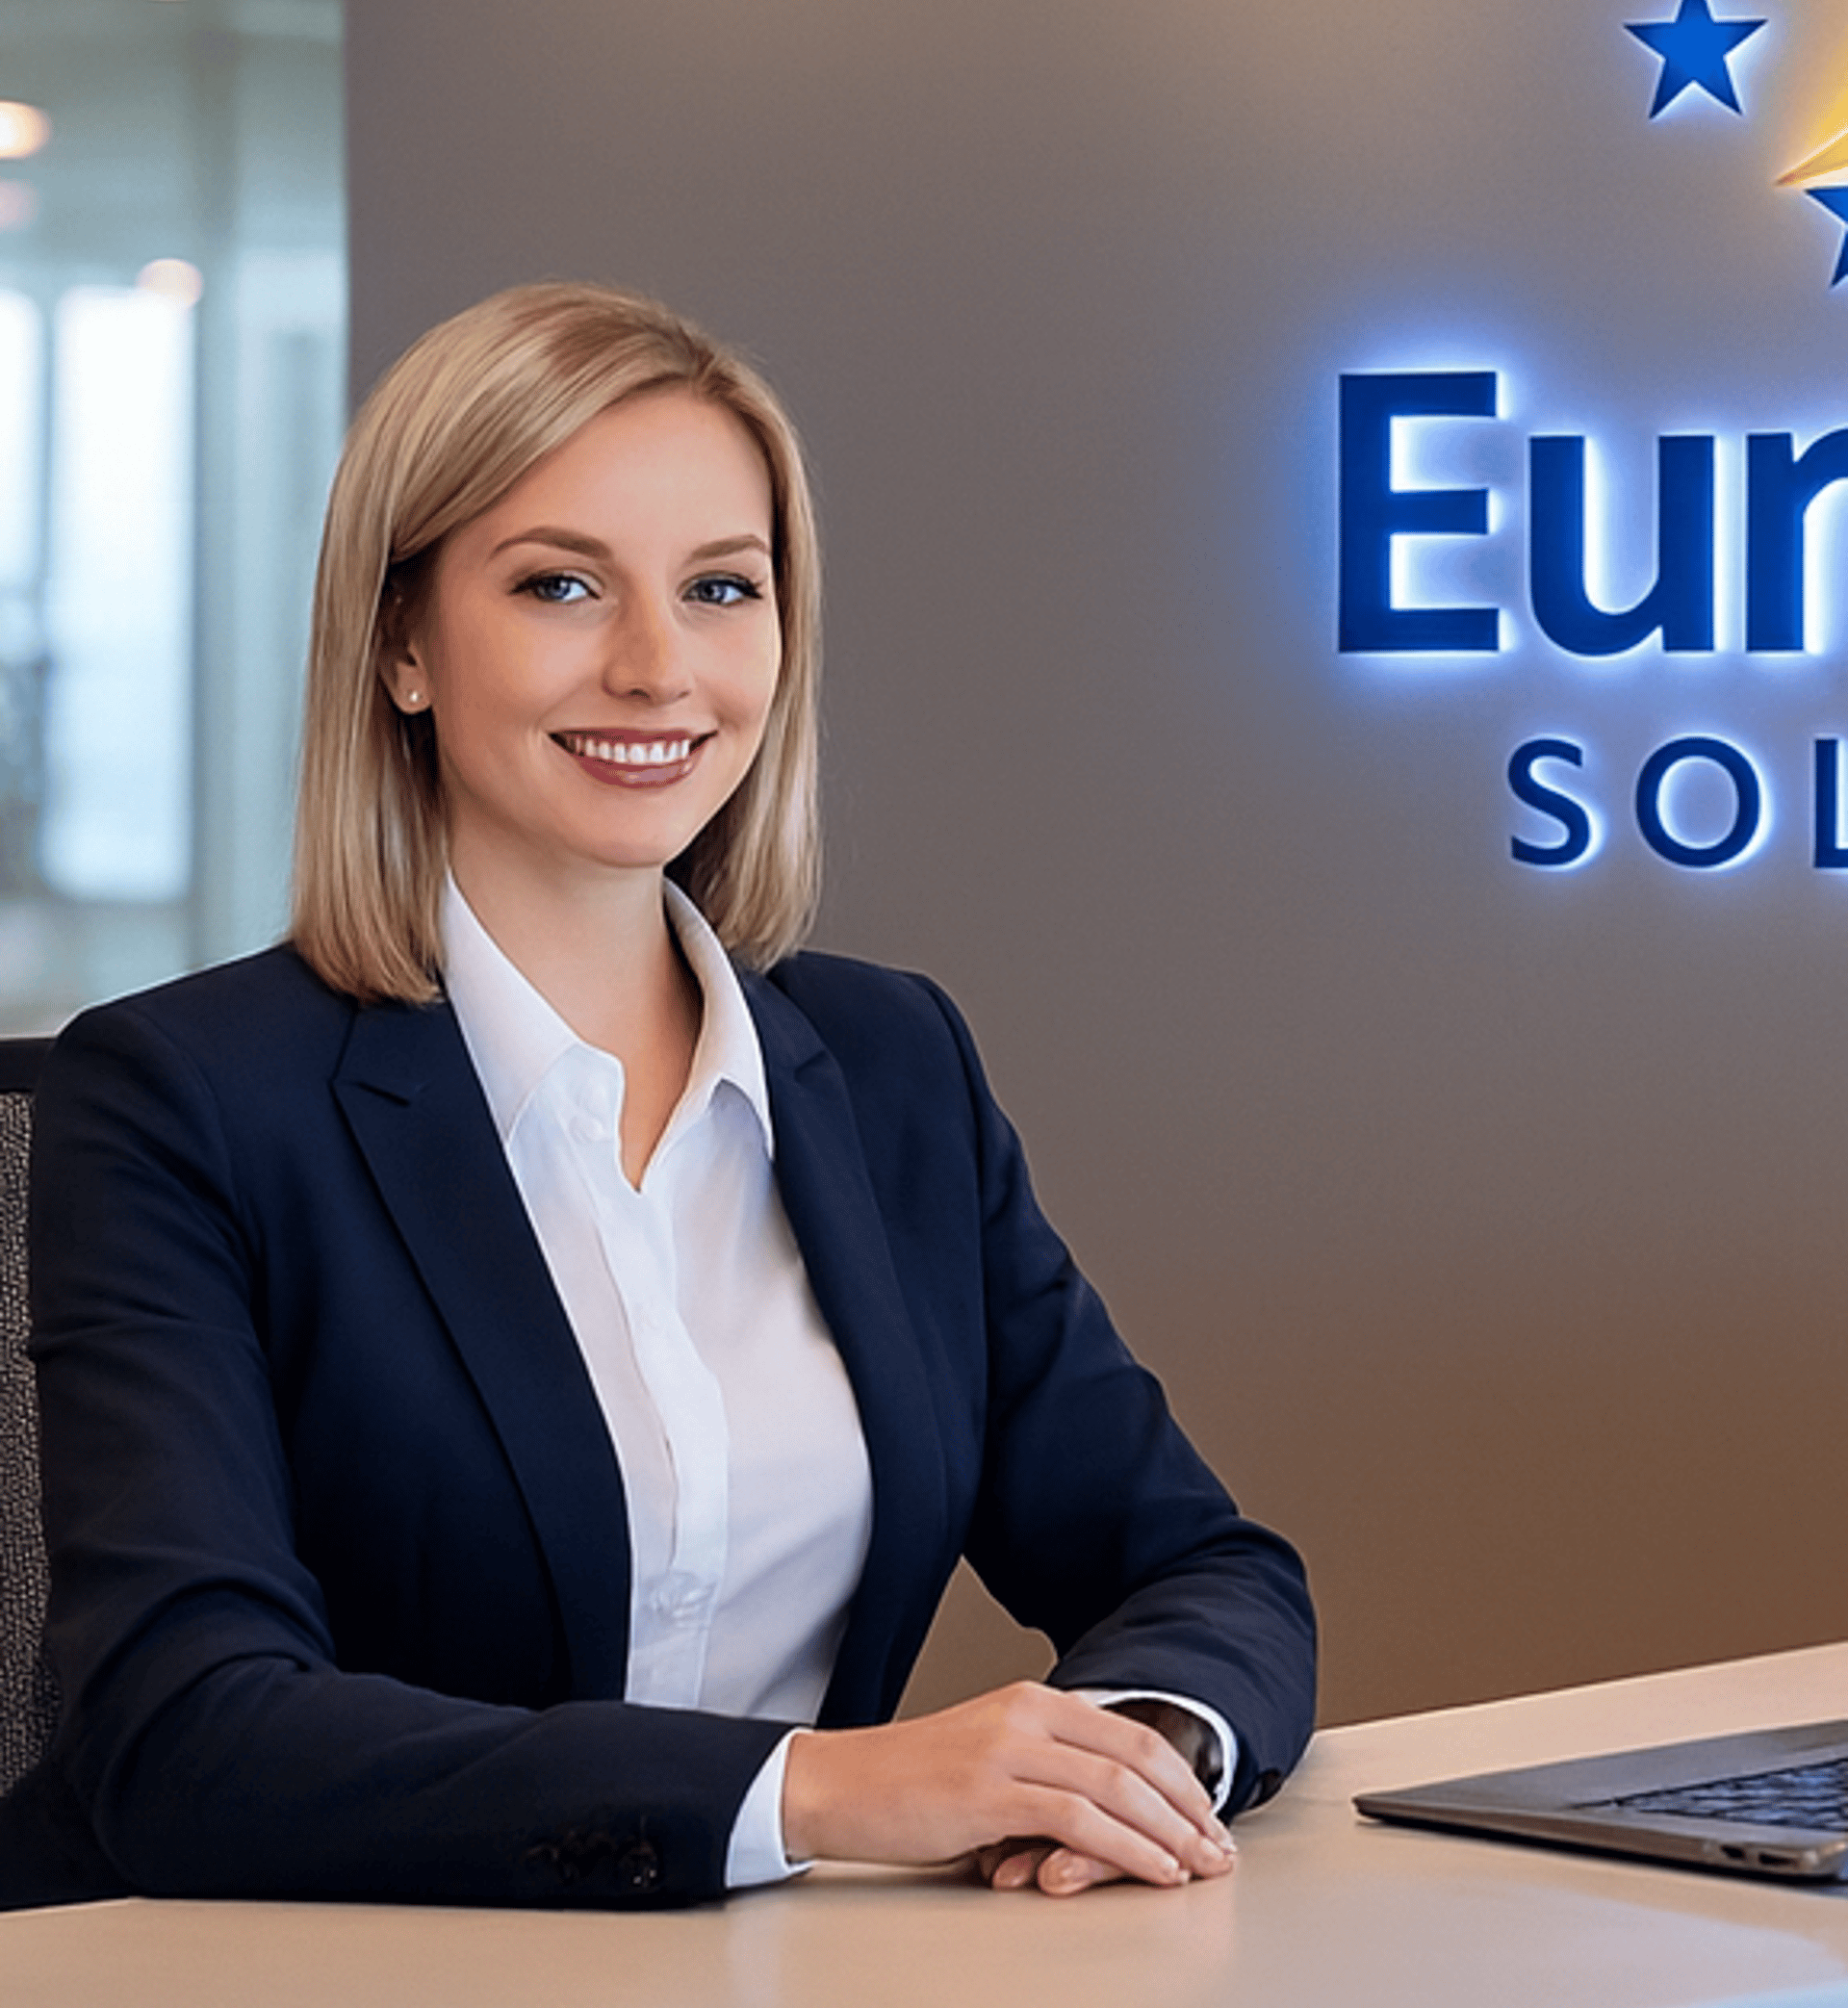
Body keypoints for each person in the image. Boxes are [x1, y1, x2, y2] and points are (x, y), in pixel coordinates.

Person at [2, 283, 1314, 1911]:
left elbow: (1205, 1567)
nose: (657, 666)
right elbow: (185, 1734)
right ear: (402, 642)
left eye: (721, 588)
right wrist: (819, 1788)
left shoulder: (893, 1065)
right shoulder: (185, 1098)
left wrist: (1140, 1751)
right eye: (561, 584)